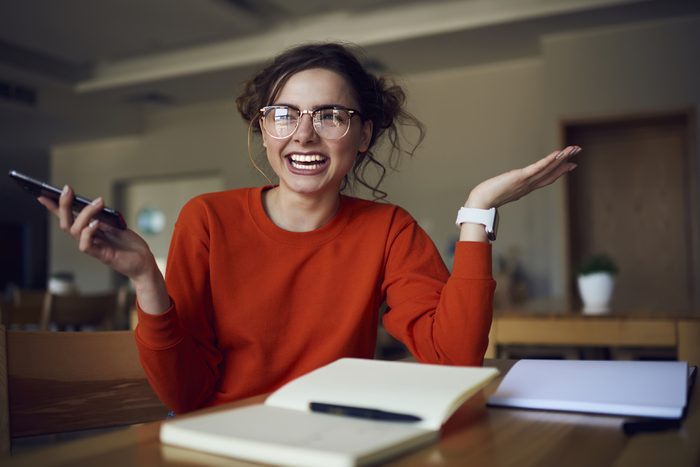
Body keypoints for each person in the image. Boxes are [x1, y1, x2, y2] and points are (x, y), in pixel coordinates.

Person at [39, 43, 580, 414]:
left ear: (362, 135)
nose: (303, 135)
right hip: (224, 443)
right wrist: (144, 281)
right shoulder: (207, 218)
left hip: (338, 439)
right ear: (264, 129)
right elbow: (185, 392)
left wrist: (478, 210)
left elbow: (455, 358)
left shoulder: (389, 230)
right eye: (284, 115)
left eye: (329, 116)